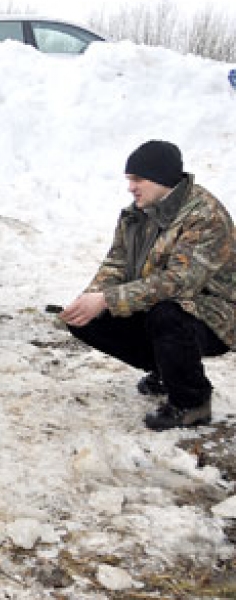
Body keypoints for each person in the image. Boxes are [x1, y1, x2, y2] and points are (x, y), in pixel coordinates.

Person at [61, 140, 235, 431]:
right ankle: (167, 371)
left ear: (162, 178)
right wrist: (91, 297)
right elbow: (116, 263)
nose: (131, 187)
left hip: (216, 314)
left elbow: (180, 282)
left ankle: (192, 401)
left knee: (167, 314)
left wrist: (108, 299)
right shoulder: (137, 215)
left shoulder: (205, 217)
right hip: (161, 302)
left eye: (137, 179)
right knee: (87, 320)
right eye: (130, 179)